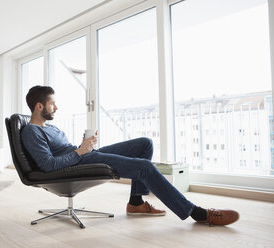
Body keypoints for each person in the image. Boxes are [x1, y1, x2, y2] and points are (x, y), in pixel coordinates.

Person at [21, 85, 239, 226]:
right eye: (52, 103)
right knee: (144, 167)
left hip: (84, 155)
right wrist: (80, 151)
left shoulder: (52, 128)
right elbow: (49, 165)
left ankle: (136, 202)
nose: (56, 107)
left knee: (144, 144)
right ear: (39, 106)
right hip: (80, 161)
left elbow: (66, 151)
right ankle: (195, 213)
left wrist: (84, 145)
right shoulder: (32, 131)